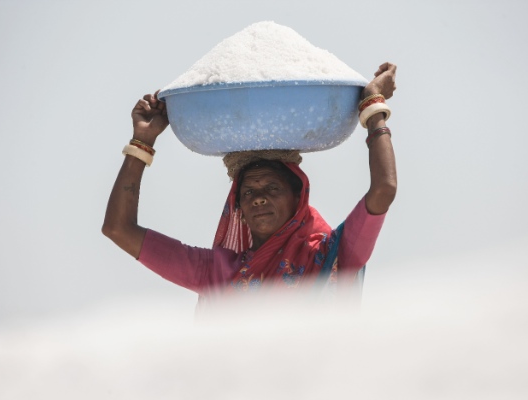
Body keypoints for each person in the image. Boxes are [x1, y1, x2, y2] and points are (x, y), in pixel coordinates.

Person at [102, 62, 398, 314]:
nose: (258, 199)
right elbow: (118, 229)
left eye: (272, 188)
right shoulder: (217, 271)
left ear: (298, 198)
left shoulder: (333, 254)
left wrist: (374, 107)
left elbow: (384, 188)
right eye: (248, 193)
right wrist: (143, 142)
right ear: (238, 210)